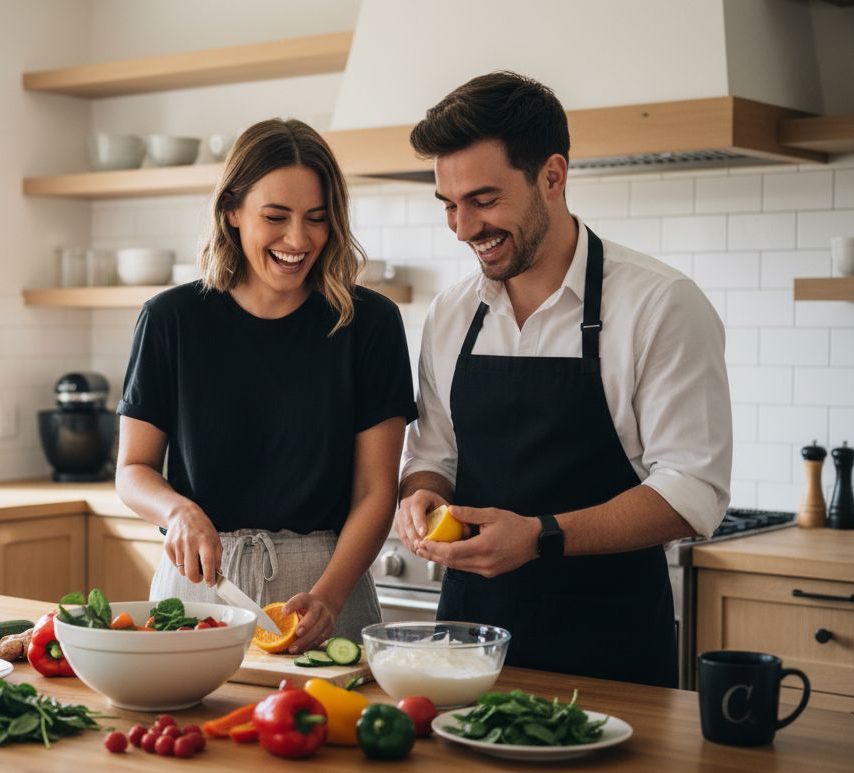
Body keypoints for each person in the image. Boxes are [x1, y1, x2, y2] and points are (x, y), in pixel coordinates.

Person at [395, 72, 731, 687]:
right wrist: (420, 496)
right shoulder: (452, 314)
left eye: (484, 200)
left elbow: (692, 490)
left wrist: (539, 537)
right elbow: (433, 456)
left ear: (552, 176)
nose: (464, 227)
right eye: (449, 204)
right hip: (465, 652)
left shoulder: (661, 305)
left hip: (611, 653)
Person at [115, 118, 417, 652]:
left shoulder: (370, 324)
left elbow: (376, 491)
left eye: (317, 219)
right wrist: (178, 511)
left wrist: (329, 596)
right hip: (199, 583)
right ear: (232, 211)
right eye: (275, 216)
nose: (298, 240)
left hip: (328, 583)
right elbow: (133, 470)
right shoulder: (171, 319)